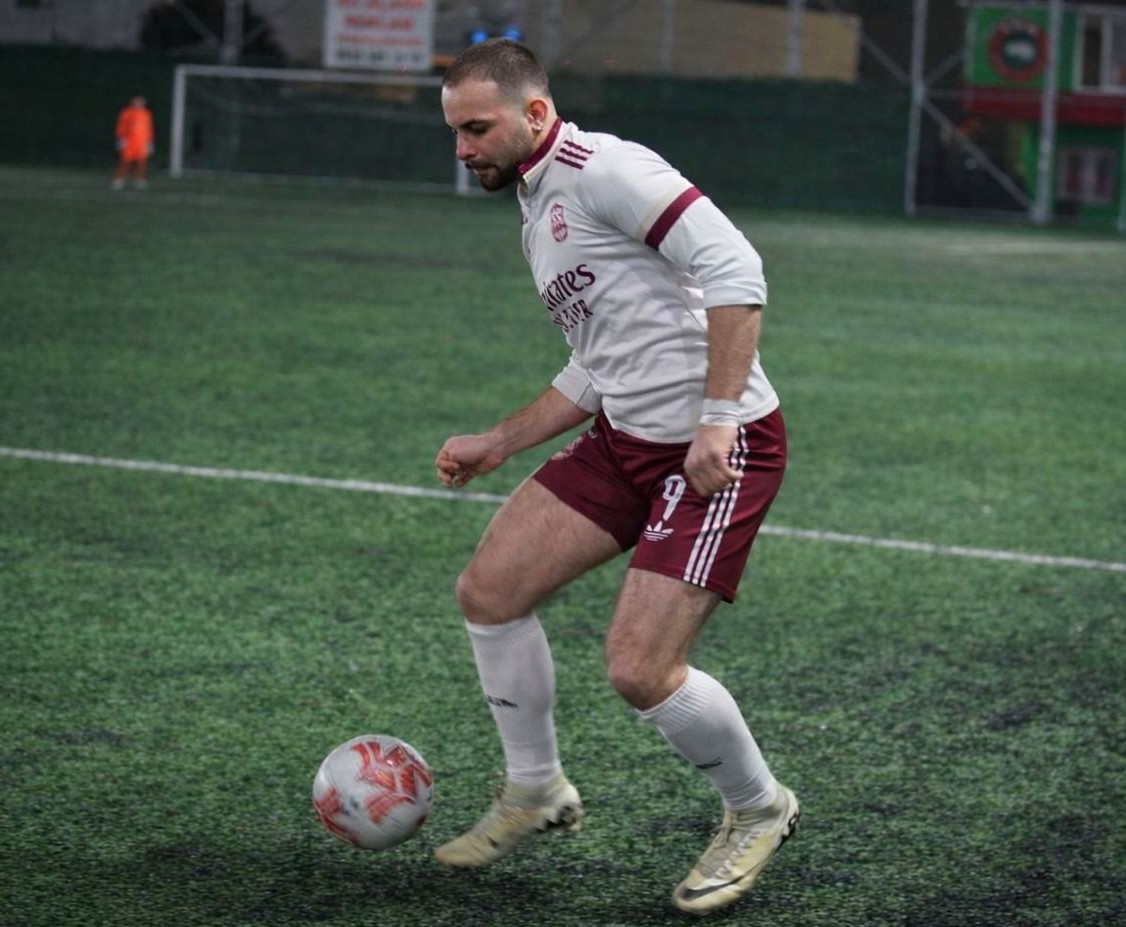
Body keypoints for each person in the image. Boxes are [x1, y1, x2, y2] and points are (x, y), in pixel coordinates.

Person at [434, 39, 798, 915]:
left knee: (640, 667)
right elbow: (599, 361)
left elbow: (735, 267)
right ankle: (535, 787)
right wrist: (499, 440)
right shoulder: (537, 201)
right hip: (626, 440)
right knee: (489, 591)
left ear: (534, 114)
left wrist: (717, 418)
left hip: (721, 447)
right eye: (454, 132)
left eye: (477, 129)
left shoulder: (605, 169)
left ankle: (759, 807)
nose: (463, 148)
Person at [112, 96, 154, 190]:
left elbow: (149, 128)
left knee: (142, 162)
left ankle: (139, 180)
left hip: (142, 142)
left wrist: (149, 142)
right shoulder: (126, 113)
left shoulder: (146, 114)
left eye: (141, 102)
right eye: (137, 102)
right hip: (129, 141)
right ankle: (119, 179)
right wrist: (121, 139)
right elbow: (121, 126)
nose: (139, 104)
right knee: (125, 161)